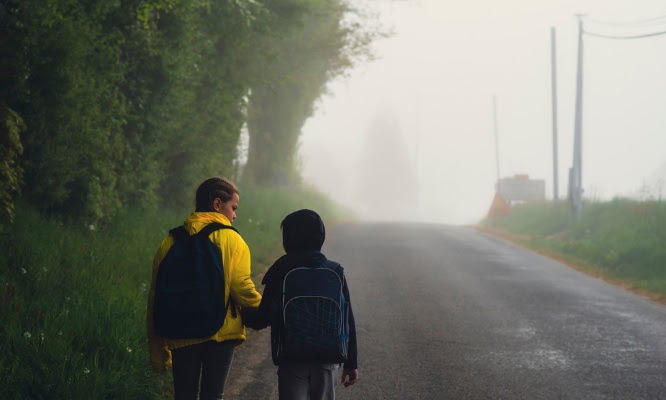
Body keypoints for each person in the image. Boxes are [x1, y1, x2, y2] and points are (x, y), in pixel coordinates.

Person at [146, 177, 262, 400]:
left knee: (184, 395)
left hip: (180, 332)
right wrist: (265, 308)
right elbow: (241, 287)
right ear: (217, 204)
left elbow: (155, 295)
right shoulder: (232, 239)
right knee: (213, 395)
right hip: (221, 332)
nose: (235, 215)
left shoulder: (170, 241)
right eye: (233, 208)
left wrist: (158, 349)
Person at [244, 209, 358, 400]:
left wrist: (241, 313)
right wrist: (351, 363)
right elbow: (348, 319)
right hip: (328, 358)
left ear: (287, 239)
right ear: (321, 237)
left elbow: (263, 317)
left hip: (292, 356)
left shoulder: (281, 270)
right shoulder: (334, 270)